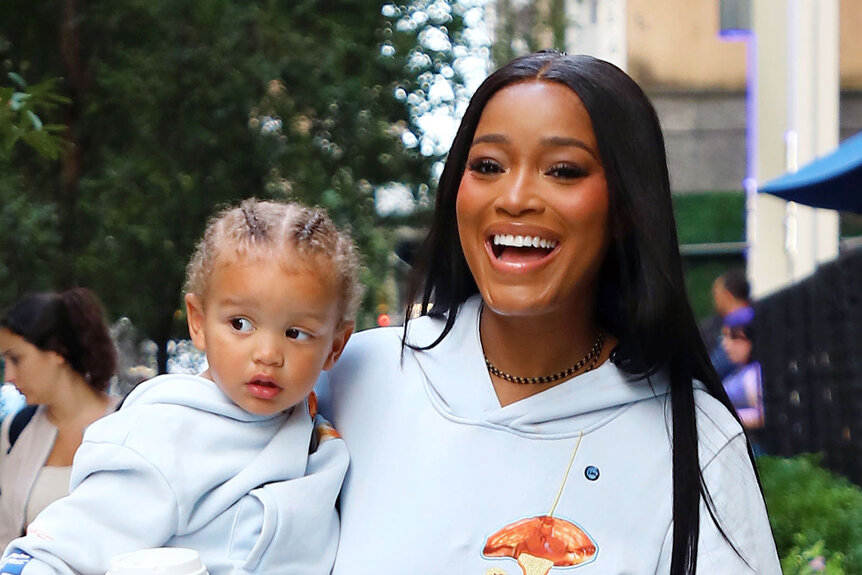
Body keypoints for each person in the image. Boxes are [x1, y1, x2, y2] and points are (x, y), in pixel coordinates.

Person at [317, 51, 780, 574]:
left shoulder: (696, 441)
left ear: (627, 208)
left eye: (563, 170)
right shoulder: (348, 379)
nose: (515, 198)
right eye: (488, 166)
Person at [1, 199, 360, 575]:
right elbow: (51, 554)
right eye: (240, 323)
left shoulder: (320, 435)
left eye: (295, 333)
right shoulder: (162, 438)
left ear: (335, 345)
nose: (268, 354)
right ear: (199, 322)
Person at [0, 288, 119, 548]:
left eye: (16, 359)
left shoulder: (129, 422)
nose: (8, 375)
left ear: (57, 351)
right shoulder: (15, 430)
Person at [702, 268, 753, 380]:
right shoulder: (756, 314)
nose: (714, 299)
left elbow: (713, 370)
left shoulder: (738, 323)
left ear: (727, 295)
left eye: (716, 293)